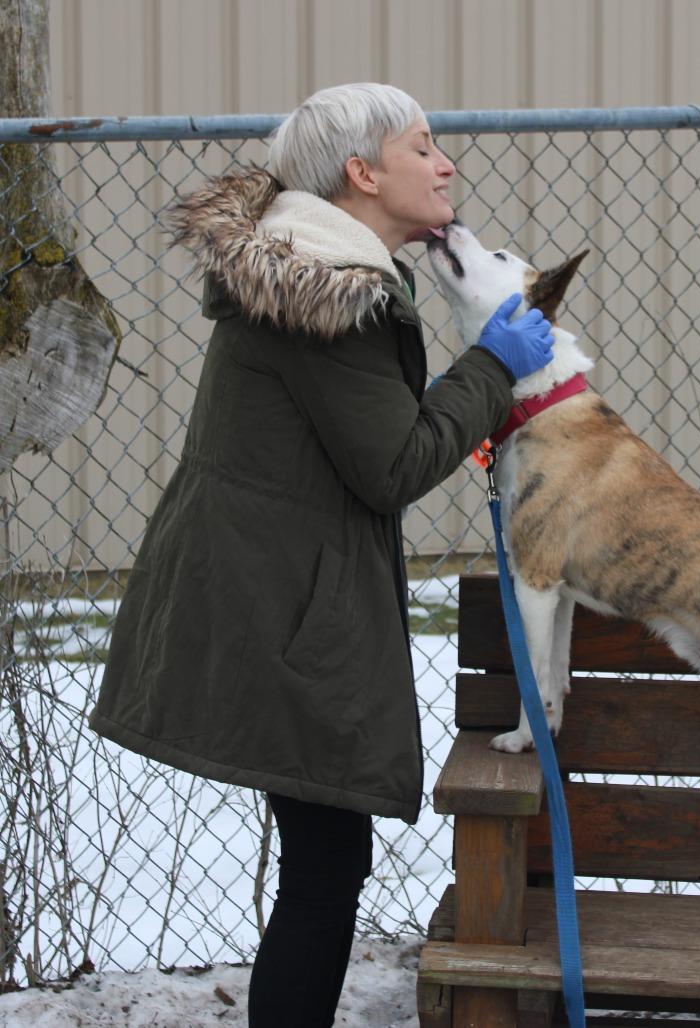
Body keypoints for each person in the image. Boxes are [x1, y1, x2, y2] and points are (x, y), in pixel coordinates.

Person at [88, 82, 555, 1027]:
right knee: (326, 866)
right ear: (362, 172)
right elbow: (394, 464)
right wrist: (494, 365)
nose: (445, 162)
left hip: (269, 582)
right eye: (423, 146)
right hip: (283, 601)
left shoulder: (312, 264)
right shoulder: (329, 293)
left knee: (322, 860)